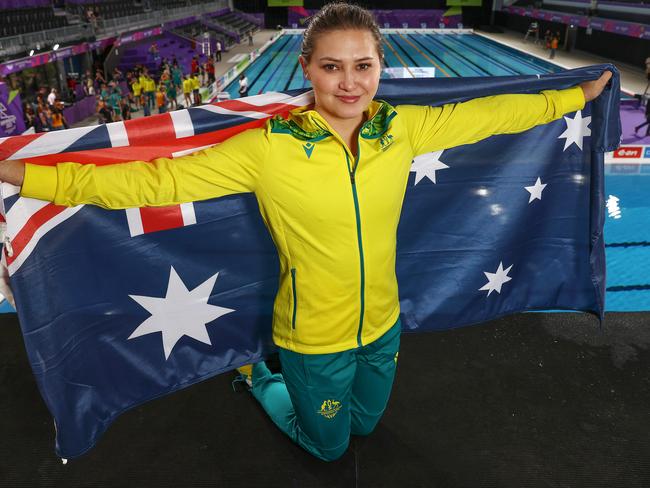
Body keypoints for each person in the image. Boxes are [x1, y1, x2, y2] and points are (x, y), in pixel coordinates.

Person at [0, 2, 611, 463]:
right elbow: (151, 183)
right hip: (312, 336)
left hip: (383, 323)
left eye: (363, 66)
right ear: (307, 68)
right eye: (332, 66)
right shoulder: (266, 150)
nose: (349, 82)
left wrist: (577, 95)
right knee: (330, 448)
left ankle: (284, 384)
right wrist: (19, 173)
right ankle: (261, 377)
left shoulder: (401, 129)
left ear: (380, 67)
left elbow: (490, 114)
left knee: (365, 427)